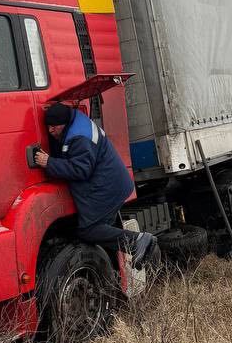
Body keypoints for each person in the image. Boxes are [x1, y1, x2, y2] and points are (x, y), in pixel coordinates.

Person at [34, 103, 157, 268]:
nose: (50, 131)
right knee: (104, 232)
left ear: (64, 124)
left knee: (89, 230)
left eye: (53, 127)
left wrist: (49, 162)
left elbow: (80, 170)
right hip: (112, 184)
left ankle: (138, 241)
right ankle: (135, 253)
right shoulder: (75, 123)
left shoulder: (78, 138)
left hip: (107, 188)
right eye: (48, 127)